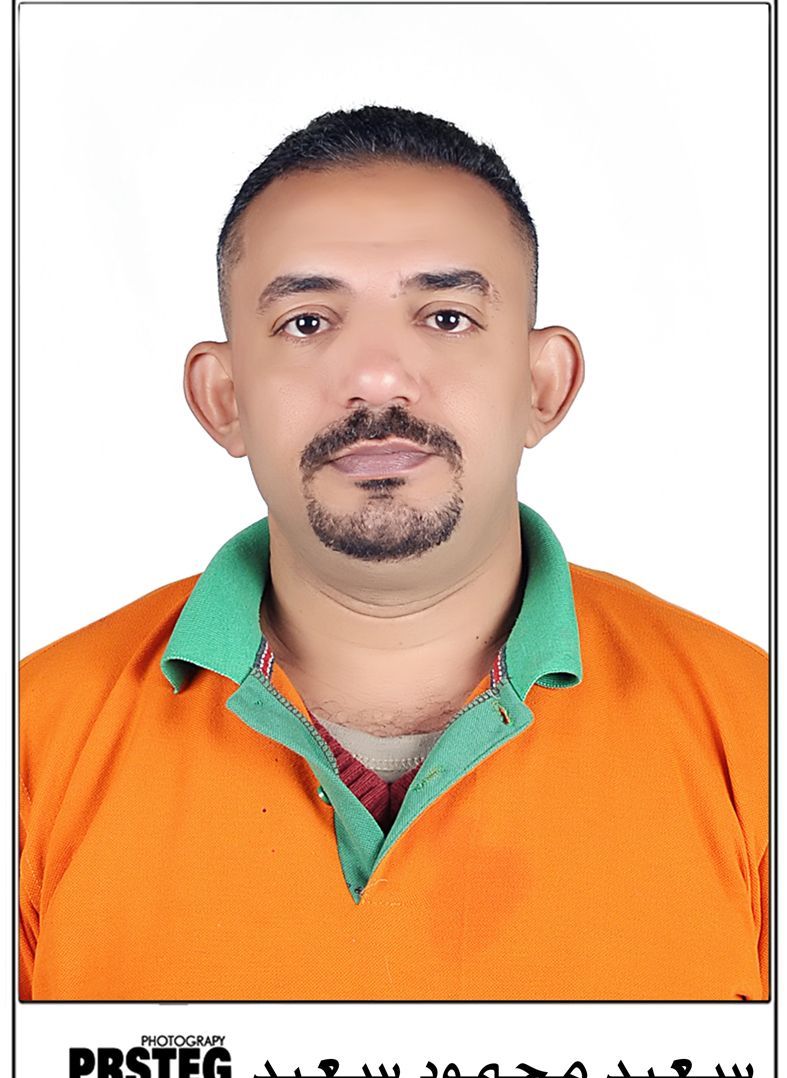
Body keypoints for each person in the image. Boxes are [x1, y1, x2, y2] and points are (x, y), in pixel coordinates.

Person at [19, 106, 768, 1002]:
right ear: (224, 399)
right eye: (307, 322)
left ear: (542, 385)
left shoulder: (754, 732)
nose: (376, 376)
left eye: (446, 316)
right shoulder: (31, 741)